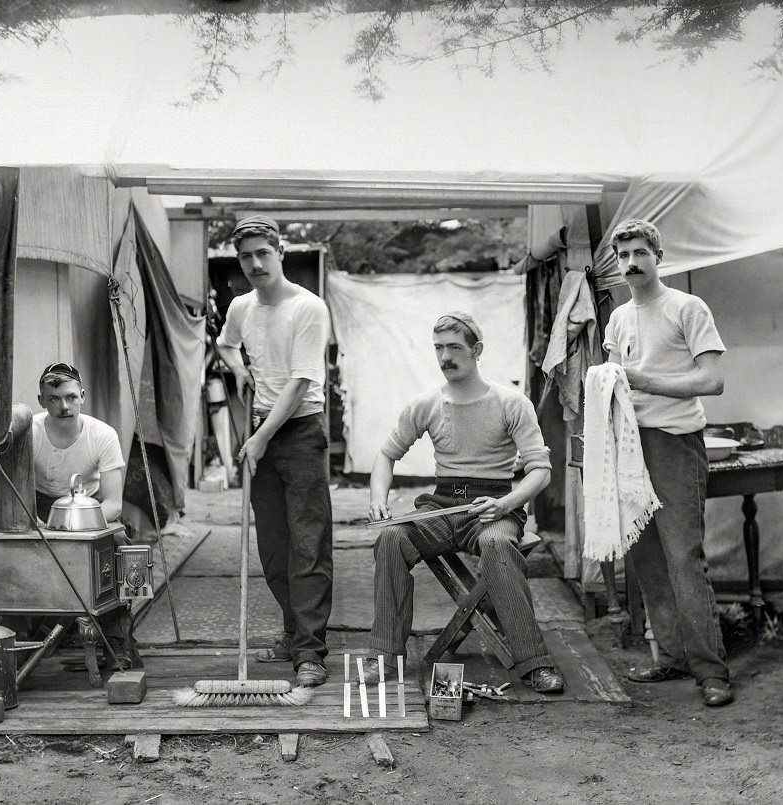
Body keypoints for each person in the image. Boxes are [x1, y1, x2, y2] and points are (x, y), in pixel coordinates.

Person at [364, 311, 565, 693]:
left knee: (497, 544)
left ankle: (535, 663)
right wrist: (378, 499)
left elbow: (541, 470)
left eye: (454, 347)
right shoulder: (426, 404)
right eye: (438, 348)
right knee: (391, 538)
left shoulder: (511, 403)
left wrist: (506, 505)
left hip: (493, 509)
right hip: (441, 506)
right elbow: (386, 455)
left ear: (477, 350)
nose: (444, 357)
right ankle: (385, 657)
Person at [603, 219, 733, 707]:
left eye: (641, 252)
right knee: (647, 556)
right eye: (624, 256)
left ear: (659, 255)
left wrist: (644, 381)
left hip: (676, 442)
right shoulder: (618, 319)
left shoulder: (687, 307)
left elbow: (712, 380)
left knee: (682, 557)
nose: (632, 263)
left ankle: (711, 671)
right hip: (630, 444)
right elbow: (614, 386)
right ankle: (672, 656)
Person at [216, 215, 333, 688]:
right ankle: (294, 630)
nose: (255, 263)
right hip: (260, 428)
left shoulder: (308, 308)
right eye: (246, 256)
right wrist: (240, 372)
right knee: (273, 547)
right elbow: (225, 346)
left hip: (302, 431)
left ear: (280, 251)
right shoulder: (242, 307)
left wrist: (261, 438)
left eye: (263, 253)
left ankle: (310, 652)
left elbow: (300, 381)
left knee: (308, 544)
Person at [33, 362, 126, 526]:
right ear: (41, 401)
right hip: (38, 511)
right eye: (54, 399)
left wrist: (70, 525)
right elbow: (13, 495)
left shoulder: (103, 434)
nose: (64, 407)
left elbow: (113, 504)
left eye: (71, 397)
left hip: (90, 508)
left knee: (117, 542)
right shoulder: (29, 432)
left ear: (82, 396)